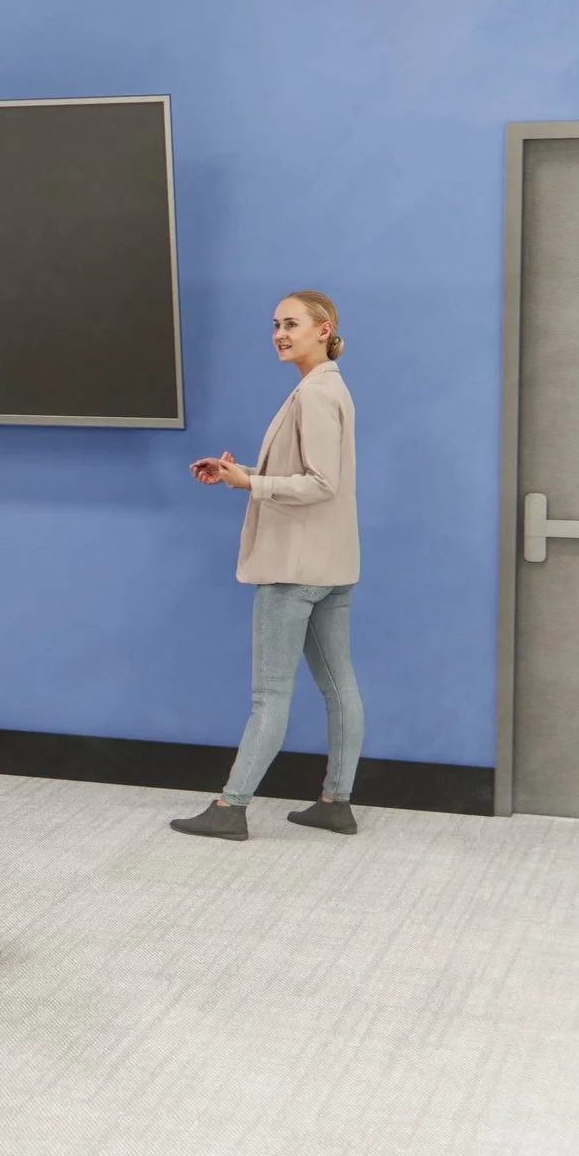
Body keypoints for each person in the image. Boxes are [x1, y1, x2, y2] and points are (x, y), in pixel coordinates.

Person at [172, 291, 365, 841]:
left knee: (270, 695)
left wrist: (250, 482)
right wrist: (244, 473)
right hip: (331, 565)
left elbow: (319, 484)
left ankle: (230, 809)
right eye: (276, 325)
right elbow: (313, 475)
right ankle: (336, 801)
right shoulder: (328, 388)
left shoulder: (314, 394)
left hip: (294, 568)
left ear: (324, 329)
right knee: (338, 685)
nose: (280, 334)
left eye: (292, 324)